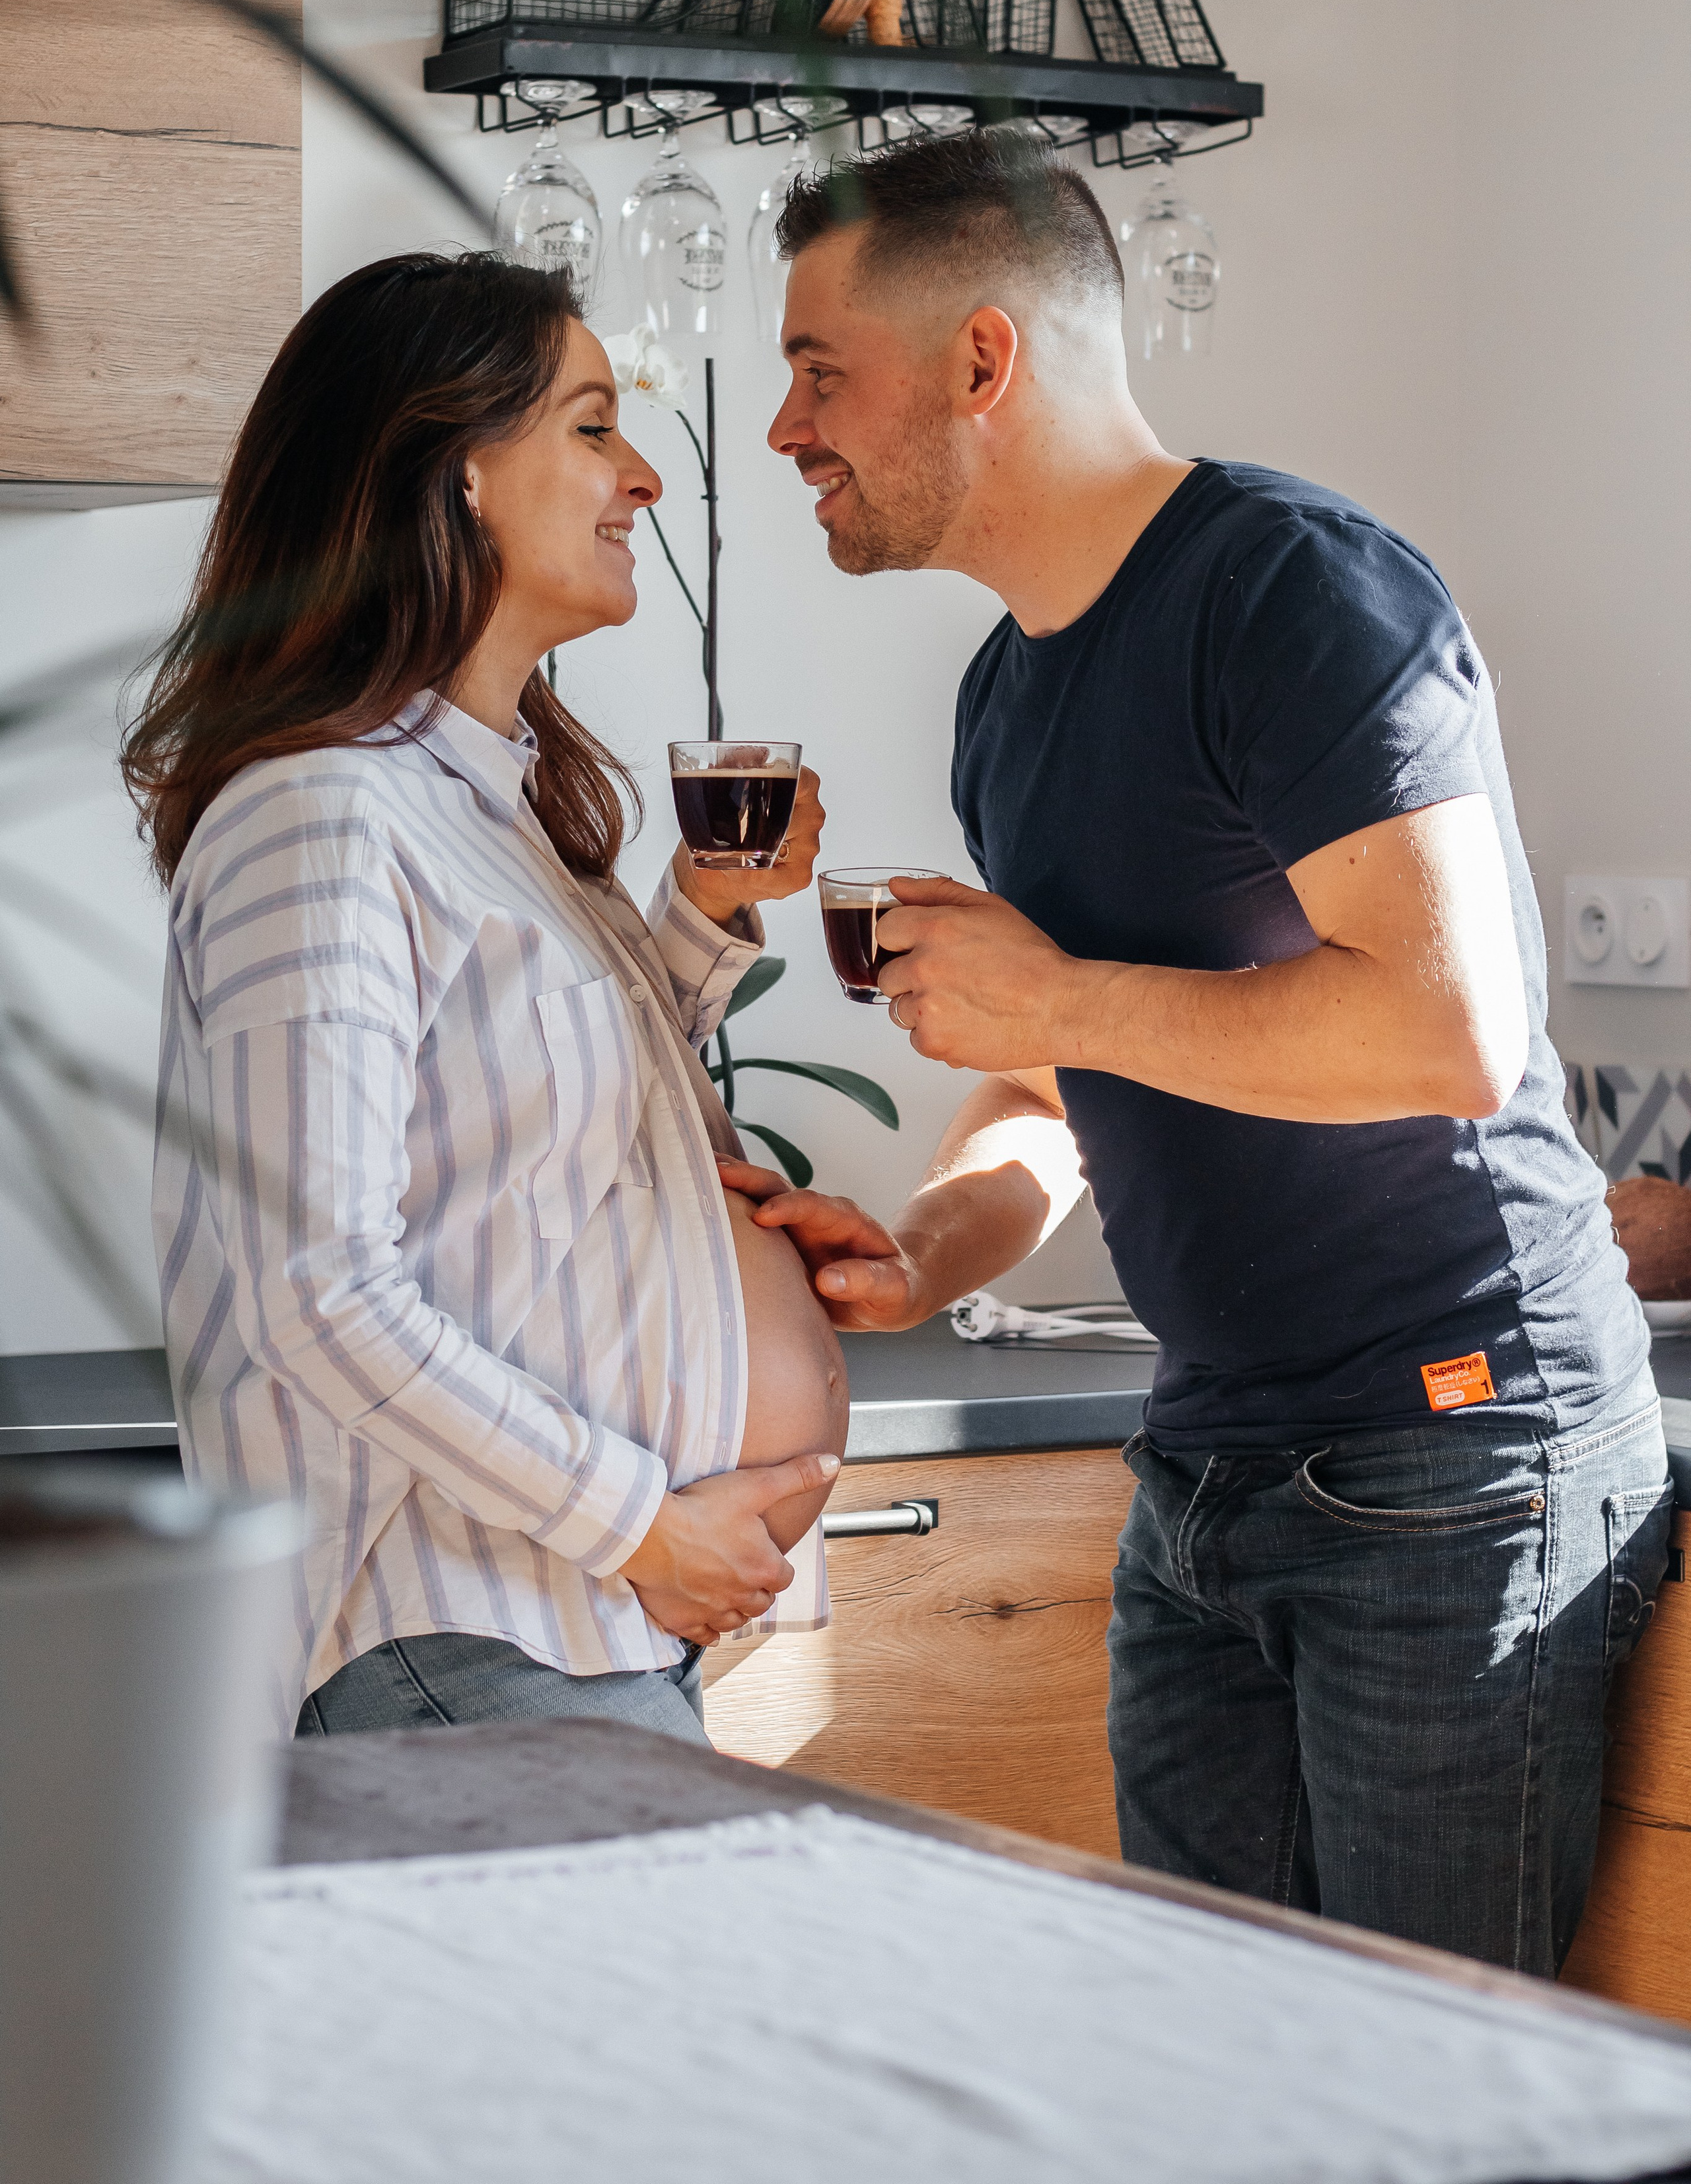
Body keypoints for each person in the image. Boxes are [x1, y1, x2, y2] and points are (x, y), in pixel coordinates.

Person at [723, 125, 1671, 1972]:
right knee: (1211, 2087)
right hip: (1214, 1475)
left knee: (1435, 2106)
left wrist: (1048, 1000)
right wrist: (929, 1249)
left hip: (1458, 1457)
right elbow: (1048, 1086)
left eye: (817, 372)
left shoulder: (1296, 594)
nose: (785, 432)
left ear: (981, 360)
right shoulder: (1012, 687)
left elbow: (1449, 1028)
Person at [124, 250, 846, 1746]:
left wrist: (700, 926)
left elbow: (533, 1135)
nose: (642, 475)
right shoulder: (320, 819)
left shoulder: (485, 808)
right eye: (592, 426)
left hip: (555, 1633)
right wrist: (640, 1522)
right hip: (458, 1634)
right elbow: (318, 1290)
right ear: (453, 471)